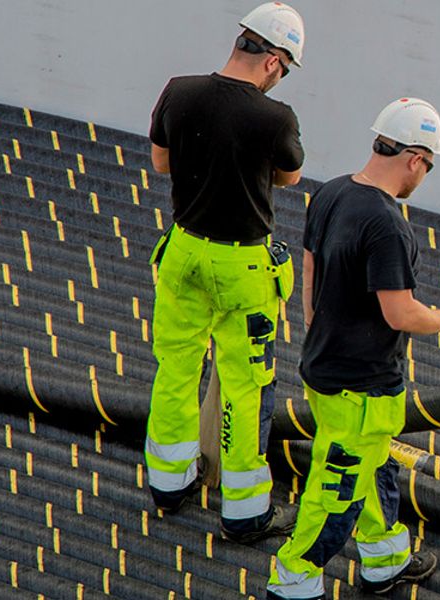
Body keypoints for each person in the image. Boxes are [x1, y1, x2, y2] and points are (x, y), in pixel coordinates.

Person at [267, 98, 440, 599]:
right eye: (427, 165)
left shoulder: (333, 192)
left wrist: (321, 331)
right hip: (362, 389)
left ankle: (384, 560)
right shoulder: (387, 225)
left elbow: (309, 268)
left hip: (323, 368)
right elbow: (399, 314)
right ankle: (292, 580)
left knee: (375, 466)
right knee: (336, 493)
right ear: (416, 159)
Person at [143, 2, 306, 543]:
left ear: (241, 42)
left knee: (176, 367)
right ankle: (244, 512)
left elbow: (161, 163)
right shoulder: (274, 118)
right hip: (242, 265)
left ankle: (169, 484)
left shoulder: (178, 90)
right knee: (244, 385)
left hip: (184, 249)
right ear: (275, 63)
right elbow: (289, 177)